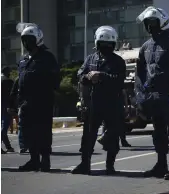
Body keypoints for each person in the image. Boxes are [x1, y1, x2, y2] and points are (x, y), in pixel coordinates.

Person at [134, 6, 169, 180]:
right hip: (153, 97)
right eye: (147, 23)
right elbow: (140, 72)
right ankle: (161, 164)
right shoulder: (145, 47)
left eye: (152, 22)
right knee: (158, 133)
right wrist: (141, 94)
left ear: (162, 22)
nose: (149, 26)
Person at [71, 26, 126, 175]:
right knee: (88, 135)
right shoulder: (90, 59)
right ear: (97, 43)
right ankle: (84, 164)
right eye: (103, 44)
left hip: (111, 103)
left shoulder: (118, 61)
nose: (106, 47)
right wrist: (88, 77)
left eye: (109, 45)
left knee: (112, 137)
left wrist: (102, 76)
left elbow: (120, 81)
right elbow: (80, 75)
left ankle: (110, 165)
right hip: (92, 103)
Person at [14, 23, 60, 171]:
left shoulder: (47, 57)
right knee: (28, 132)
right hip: (26, 103)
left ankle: (45, 160)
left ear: (38, 40)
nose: (27, 43)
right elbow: (18, 80)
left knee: (43, 131)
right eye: (25, 40)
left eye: (30, 40)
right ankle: (33, 160)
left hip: (43, 101)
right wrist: (12, 101)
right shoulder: (23, 60)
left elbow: (55, 79)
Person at [1, 67, 15, 154]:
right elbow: (12, 96)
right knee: (5, 126)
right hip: (6, 106)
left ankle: (8, 146)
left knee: (3, 127)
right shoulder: (8, 82)